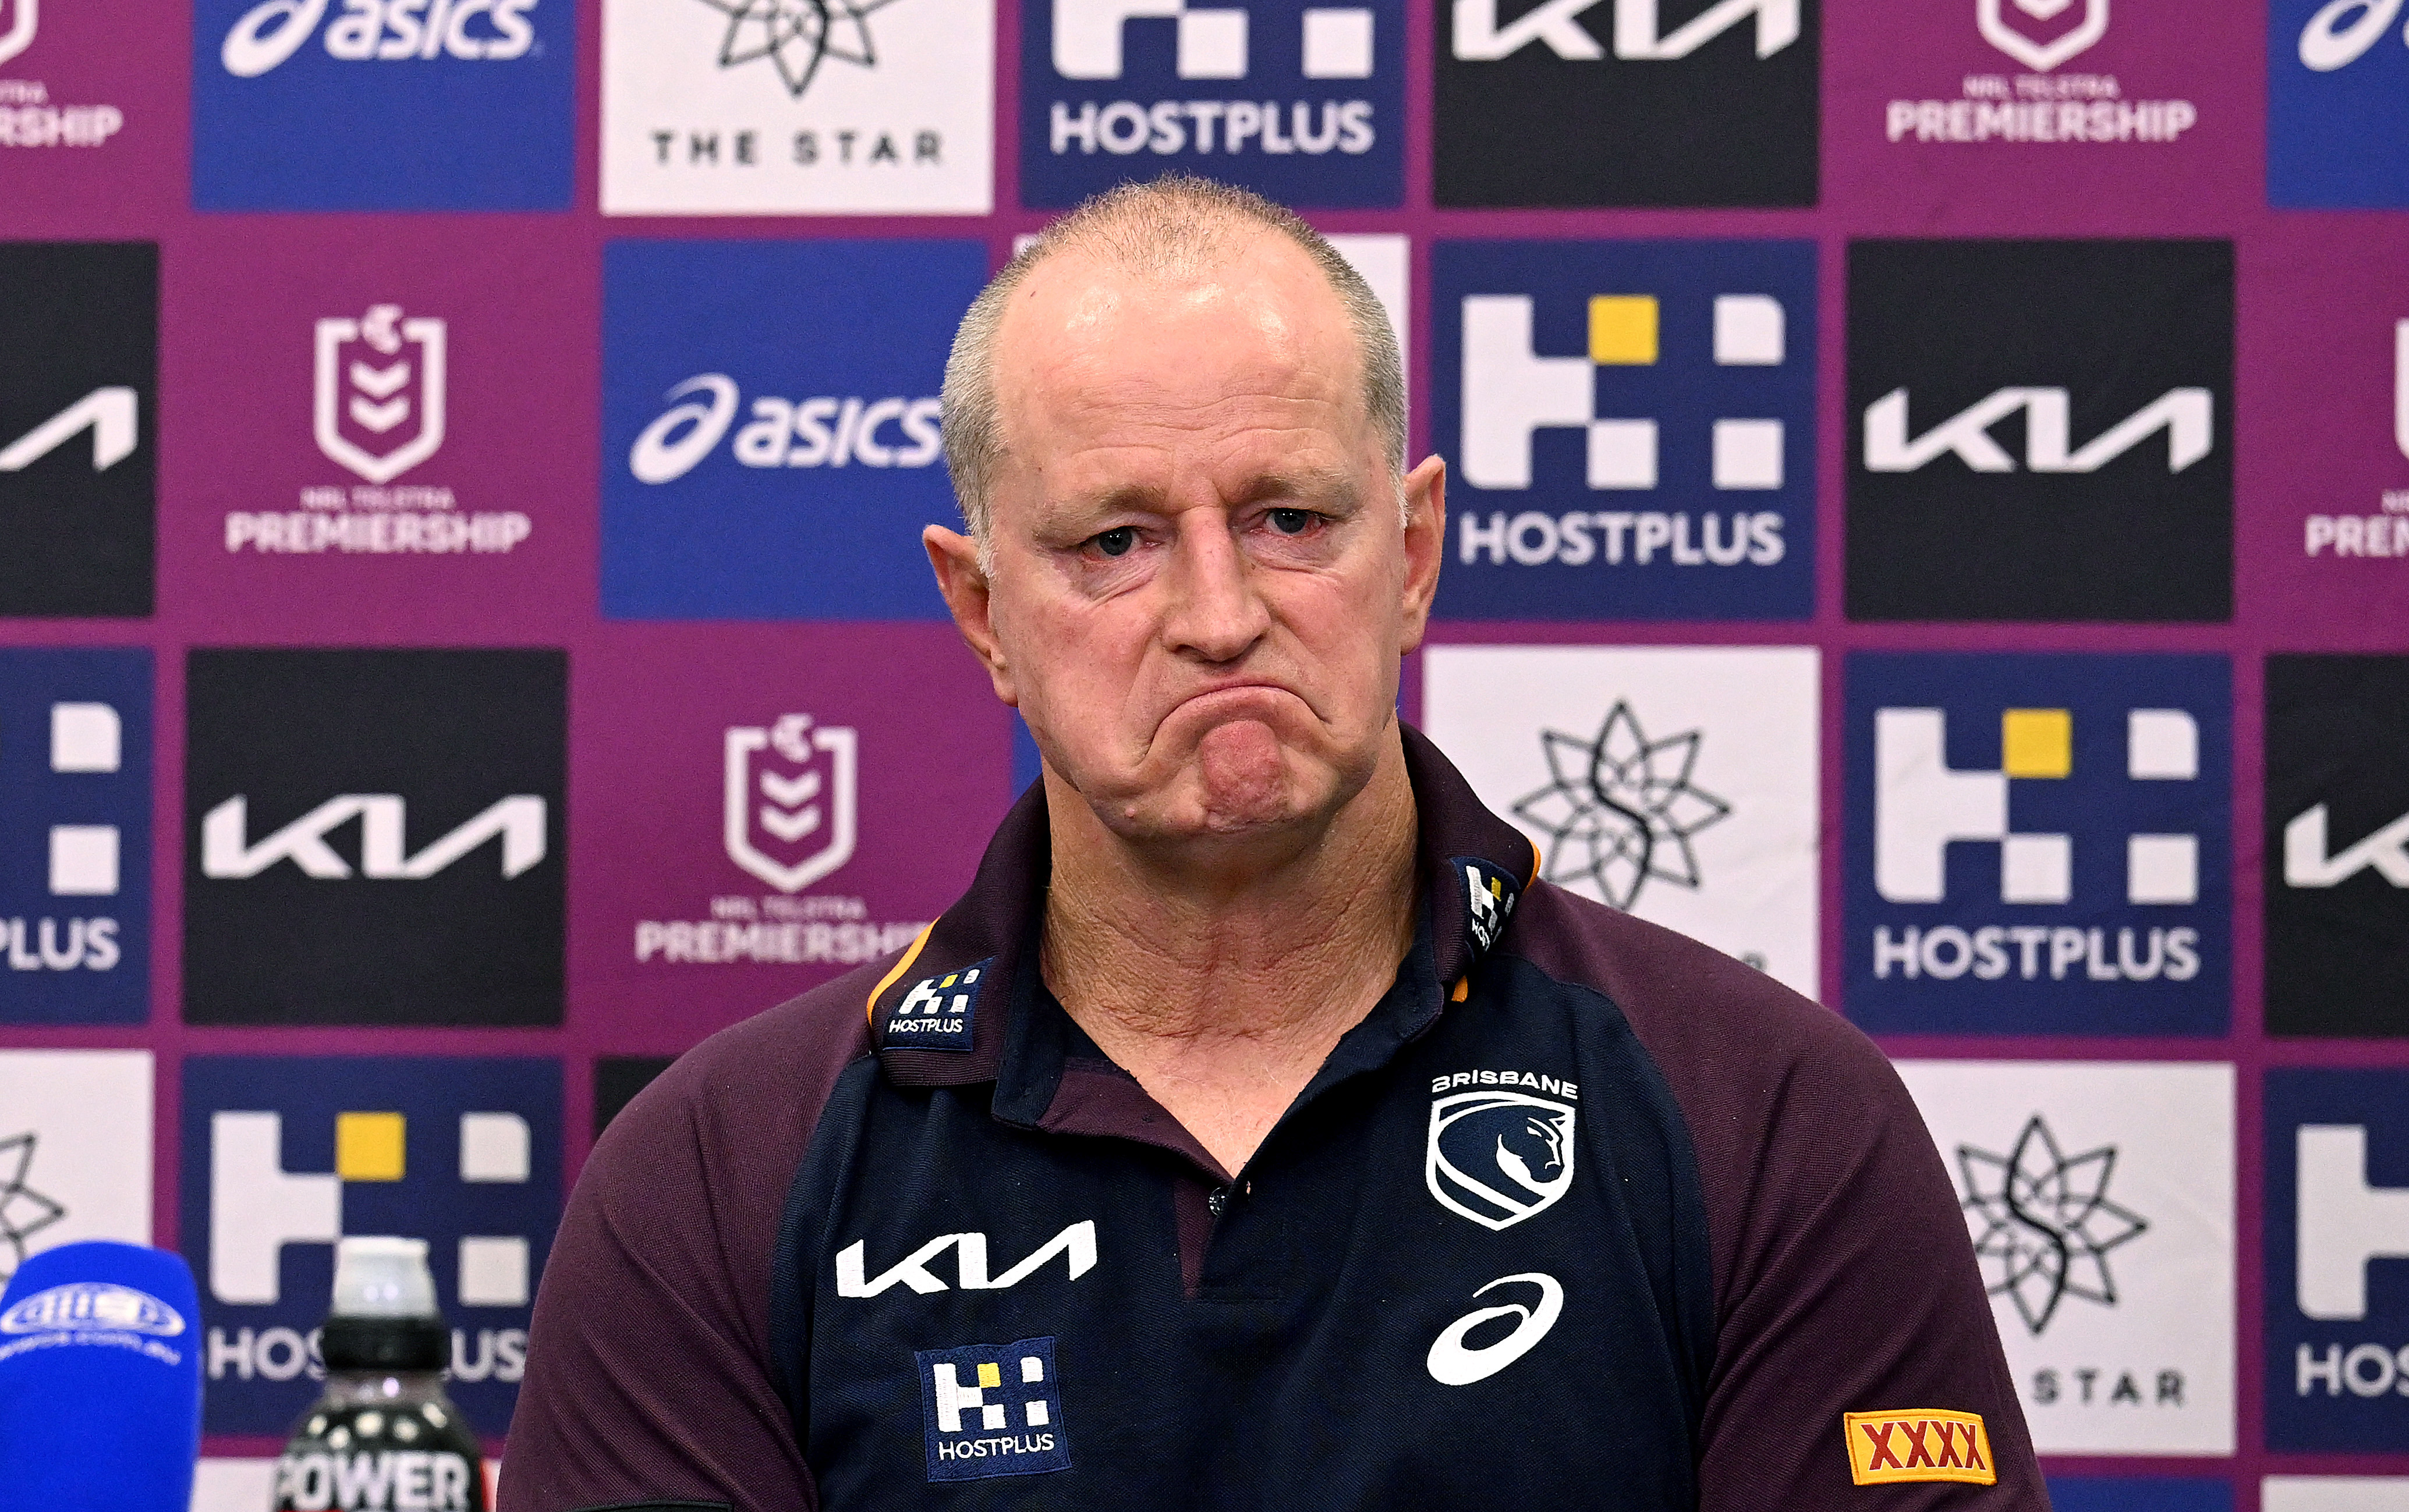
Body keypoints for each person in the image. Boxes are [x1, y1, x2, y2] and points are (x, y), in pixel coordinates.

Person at [502, 176, 2043, 1511]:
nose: (1219, 615)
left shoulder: (1760, 1116)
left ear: (1413, 553)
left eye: (1289, 520)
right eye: (1115, 542)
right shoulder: (720, 1175)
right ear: (984, 613)